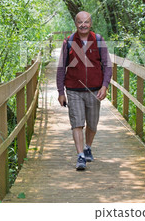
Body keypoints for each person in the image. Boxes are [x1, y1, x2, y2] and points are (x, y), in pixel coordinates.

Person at [56, 11, 112, 170]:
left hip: (94, 91)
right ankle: (80, 156)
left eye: (86, 22)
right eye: (80, 22)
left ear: (90, 23)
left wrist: (104, 86)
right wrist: (61, 92)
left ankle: (88, 147)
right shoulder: (69, 42)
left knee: (92, 124)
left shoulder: (99, 40)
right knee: (77, 123)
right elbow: (61, 68)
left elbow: (107, 66)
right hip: (73, 90)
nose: (83, 25)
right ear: (76, 24)